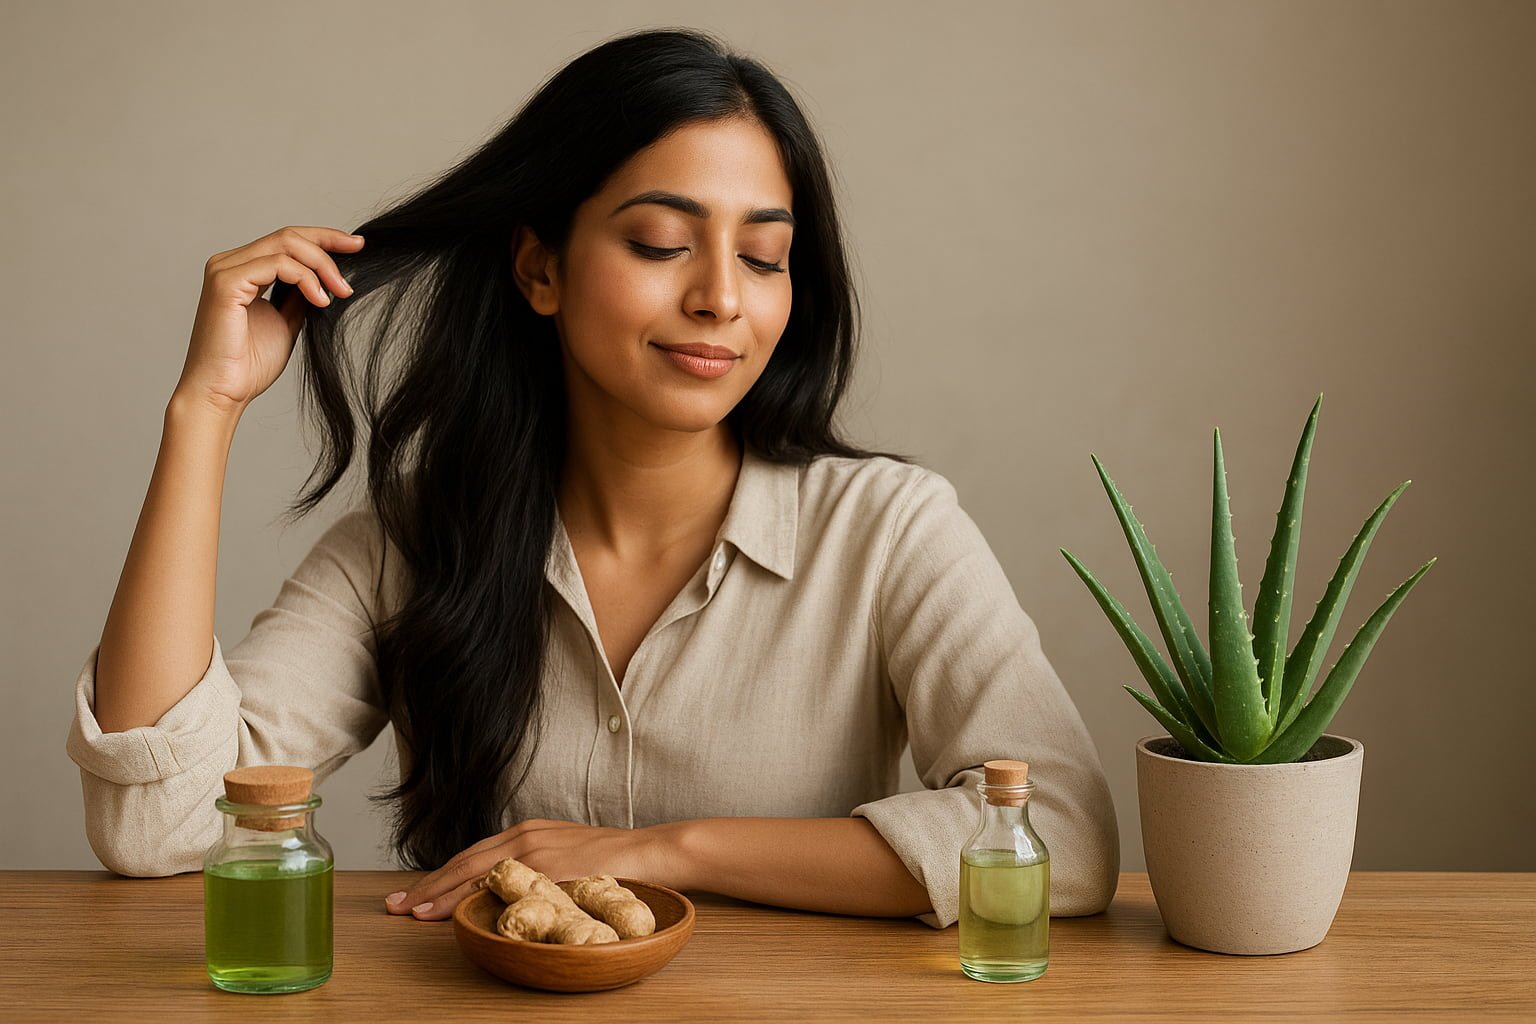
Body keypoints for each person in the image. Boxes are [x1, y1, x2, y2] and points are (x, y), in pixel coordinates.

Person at [65, 27, 1118, 929]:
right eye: (662, 241)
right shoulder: (415, 540)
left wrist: (667, 850)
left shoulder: (889, 531)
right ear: (540, 268)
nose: (721, 297)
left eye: (763, 257)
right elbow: (161, 824)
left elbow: (1060, 840)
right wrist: (206, 408)